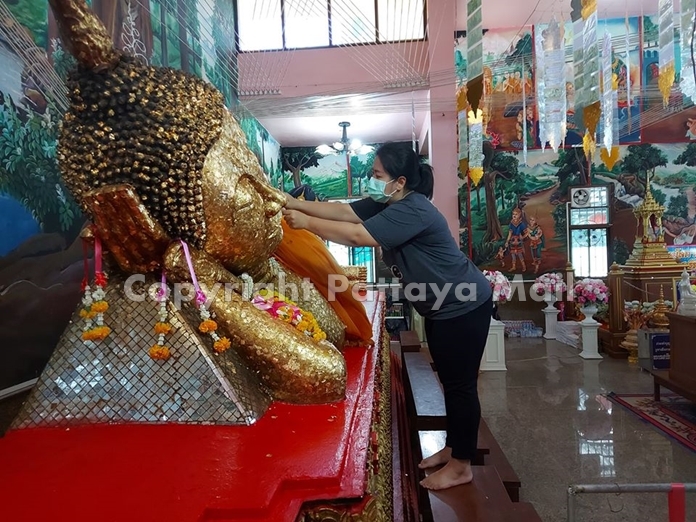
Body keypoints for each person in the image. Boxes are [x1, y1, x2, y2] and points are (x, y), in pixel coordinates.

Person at [282, 142, 493, 490]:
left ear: (400, 180)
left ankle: (461, 466)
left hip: (463, 304)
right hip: (441, 306)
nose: (372, 179)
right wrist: (293, 202)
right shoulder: (387, 201)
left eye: (377, 175)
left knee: (460, 386)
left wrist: (305, 223)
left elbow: (356, 235)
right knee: (450, 382)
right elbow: (345, 212)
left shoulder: (413, 210)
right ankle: (456, 448)